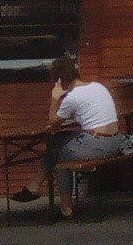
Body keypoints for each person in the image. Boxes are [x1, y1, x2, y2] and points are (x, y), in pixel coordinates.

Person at [39, 62, 128, 220]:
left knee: (58, 155)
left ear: (59, 80)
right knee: (58, 139)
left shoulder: (72, 97)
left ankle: (65, 207)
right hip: (116, 141)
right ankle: (36, 183)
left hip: (98, 144)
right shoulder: (98, 86)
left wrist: (55, 98)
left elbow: (53, 121)